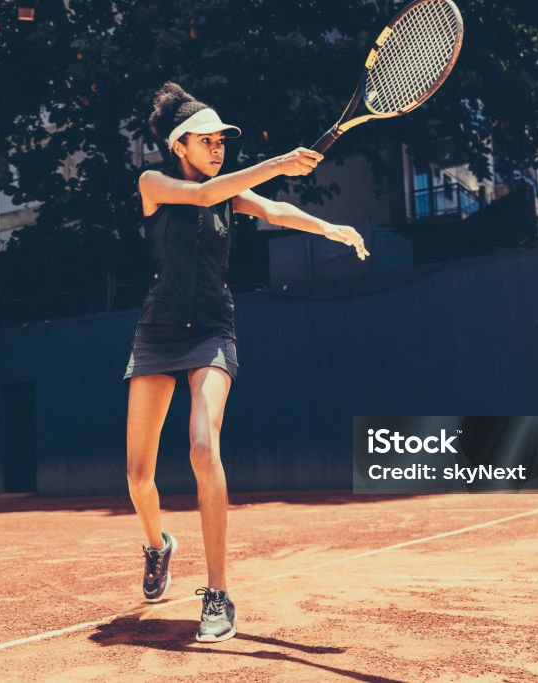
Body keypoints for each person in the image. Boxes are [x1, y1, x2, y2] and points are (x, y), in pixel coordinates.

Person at [123, 81, 369, 643]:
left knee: (203, 446)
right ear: (179, 146)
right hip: (156, 333)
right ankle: (158, 546)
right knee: (139, 477)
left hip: (212, 330)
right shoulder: (154, 184)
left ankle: (217, 592)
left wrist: (328, 226)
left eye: (222, 142)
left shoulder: (230, 193)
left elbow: (276, 208)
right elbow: (208, 196)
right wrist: (281, 160)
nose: (217, 149)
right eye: (206, 141)